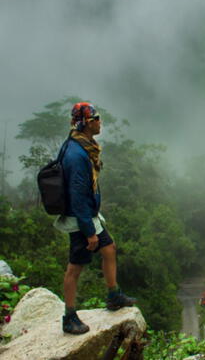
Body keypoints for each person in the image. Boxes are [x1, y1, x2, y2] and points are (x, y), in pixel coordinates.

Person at [54, 102, 136, 335]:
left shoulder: (80, 145)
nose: (101, 122)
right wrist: (89, 232)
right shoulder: (77, 155)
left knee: (109, 248)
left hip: (88, 214)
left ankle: (113, 295)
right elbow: (77, 195)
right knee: (75, 267)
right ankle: (69, 317)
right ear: (88, 123)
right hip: (80, 218)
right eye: (97, 119)